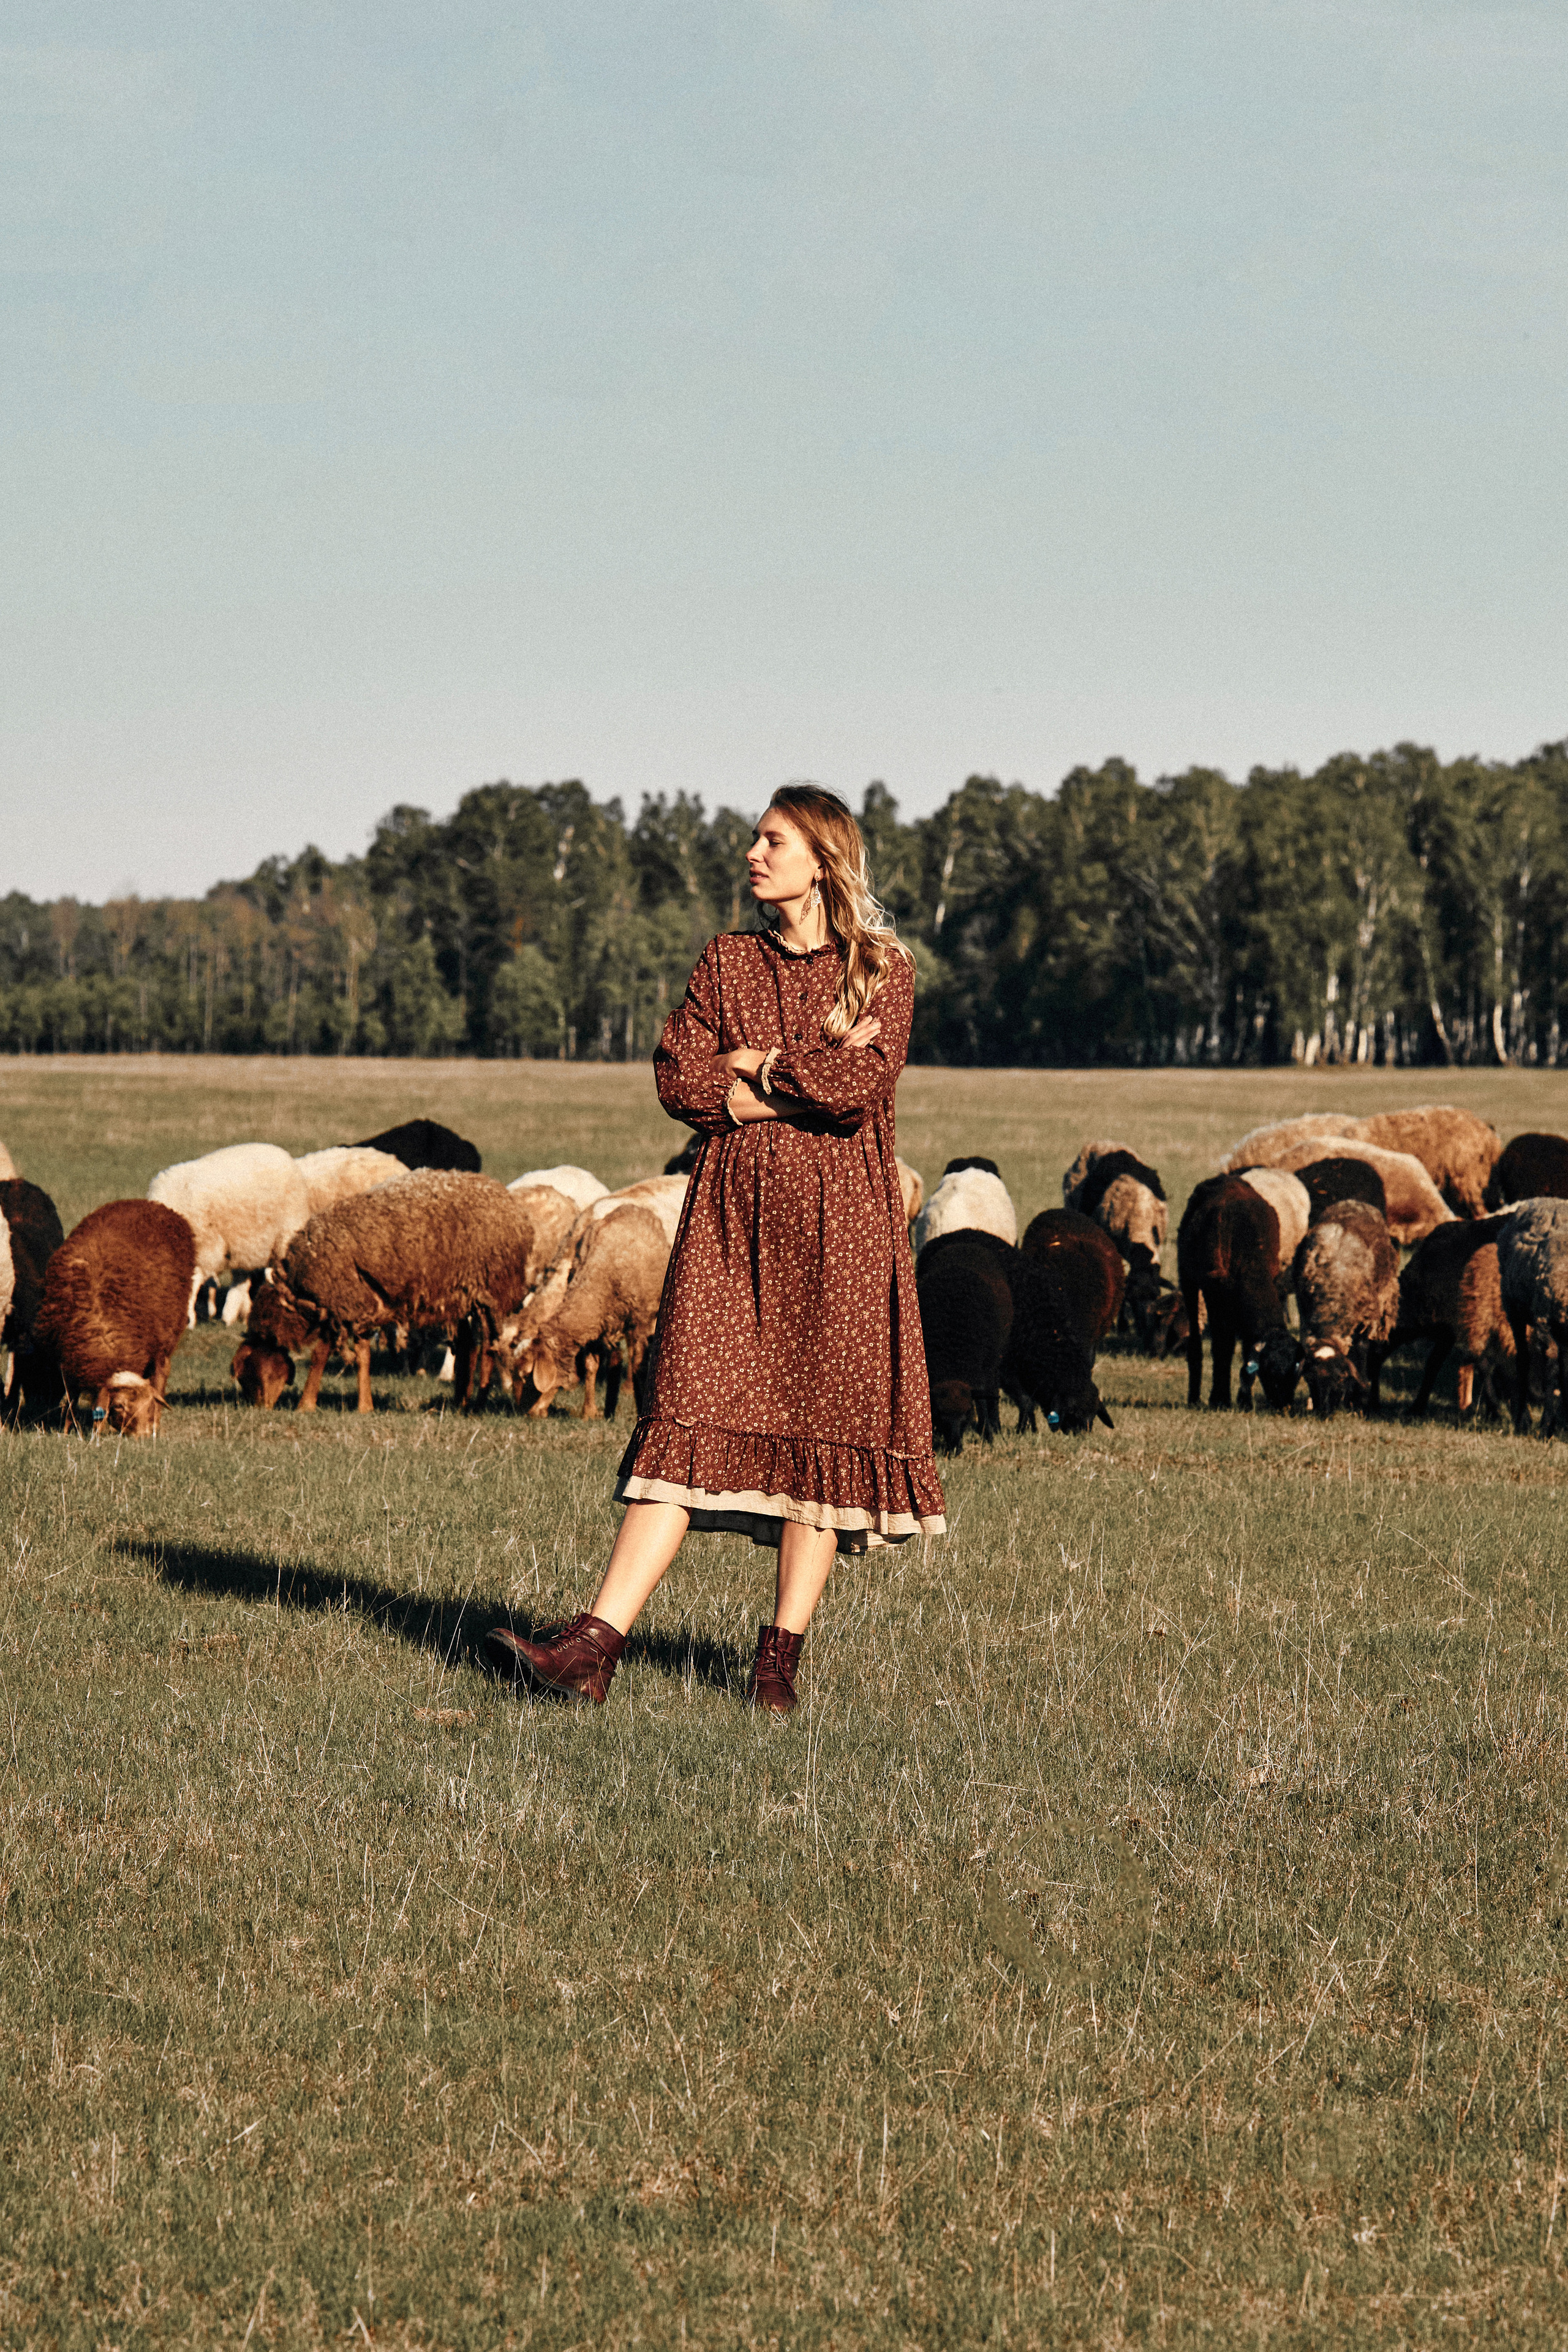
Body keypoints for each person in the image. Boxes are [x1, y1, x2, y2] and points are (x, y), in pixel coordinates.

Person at [486, 785, 946, 1714]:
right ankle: (592, 1648)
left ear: (821, 857)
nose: (751, 853)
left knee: (818, 1444)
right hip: (731, 1227)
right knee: (685, 1416)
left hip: (843, 1236)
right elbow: (677, 1075)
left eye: (772, 840)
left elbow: (859, 1086)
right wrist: (760, 1085)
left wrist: (757, 1062)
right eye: (753, 838)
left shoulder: (883, 969)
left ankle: (776, 1668)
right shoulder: (726, 960)